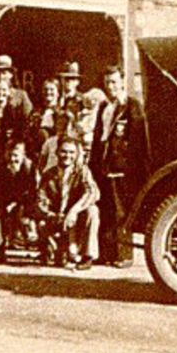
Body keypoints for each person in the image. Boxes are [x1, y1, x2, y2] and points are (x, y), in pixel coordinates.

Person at [89, 65, 150, 268]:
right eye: (107, 82)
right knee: (106, 209)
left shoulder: (132, 105)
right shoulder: (105, 108)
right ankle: (105, 253)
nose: (110, 86)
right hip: (104, 166)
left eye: (114, 82)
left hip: (122, 168)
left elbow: (137, 140)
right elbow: (100, 138)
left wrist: (129, 167)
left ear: (122, 82)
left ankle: (124, 255)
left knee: (121, 211)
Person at [36, 136, 100, 270]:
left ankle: (87, 256)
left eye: (72, 152)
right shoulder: (49, 174)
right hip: (57, 219)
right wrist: (54, 215)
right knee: (41, 224)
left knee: (92, 211)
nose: (67, 156)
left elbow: (92, 192)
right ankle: (54, 249)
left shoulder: (82, 171)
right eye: (64, 151)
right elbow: (40, 200)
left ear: (77, 155)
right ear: (57, 152)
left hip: (76, 219)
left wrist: (74, 211)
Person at [0, 140, 38, 263]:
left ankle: (33, 239)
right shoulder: (1, 166)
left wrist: (16, 203)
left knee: (25, 217)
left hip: (26, 201)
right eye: (10, 155)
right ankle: (0, 248)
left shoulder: (29, 167)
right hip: (6, 199)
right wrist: (3, 204)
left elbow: (31, 190)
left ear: (23, 155)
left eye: (16, 155)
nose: (12, 159)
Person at [26, 78, 62, 160]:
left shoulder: (62, 112)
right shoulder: (36, 112)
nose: (48, 92)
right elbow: (28, 132)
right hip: (36, 153)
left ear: (58, 93)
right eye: (46, 89)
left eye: (52, 89)